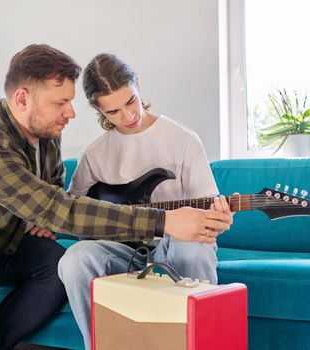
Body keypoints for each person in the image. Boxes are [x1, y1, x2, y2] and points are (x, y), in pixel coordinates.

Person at [0, 44, 232, 350]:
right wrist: (164, 221)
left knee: (54, 262)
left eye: (70, 100)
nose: (71, 112)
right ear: (22, 99)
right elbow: (61, 207)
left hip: (7, 241)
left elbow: (52, 196)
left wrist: (40, 219)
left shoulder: (48, 133)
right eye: (61, 102)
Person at [58, 53, 234, 350]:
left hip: (173, 243)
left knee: (194, 247)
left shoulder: (182, 140)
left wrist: (218, 220)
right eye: (113, 111)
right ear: (97, 108)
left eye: (131, 101)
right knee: (75, 258)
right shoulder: (95, 155)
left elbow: (207, 215)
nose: (128, 116)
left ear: (137, 83)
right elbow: (75, 214)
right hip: (123, 249)